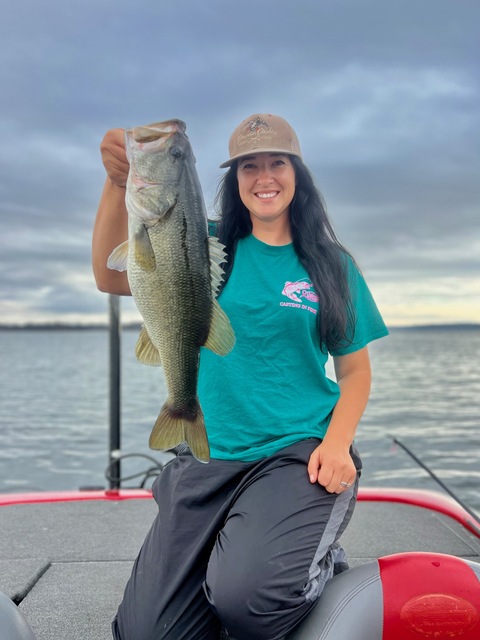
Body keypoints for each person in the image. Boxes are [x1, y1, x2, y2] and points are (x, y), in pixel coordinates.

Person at [92, 113, 389, 640]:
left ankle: (308, 563)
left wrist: (339, 444)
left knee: (252, 603)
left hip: (294, 453)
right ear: (234, 180)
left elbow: (355, 370)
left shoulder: (331, 265)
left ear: (298, 175)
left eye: (278, 162)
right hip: (208, 455)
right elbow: (108, 275)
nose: (264, 176)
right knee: (146, 634)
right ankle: (248, 562)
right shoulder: (201, 244)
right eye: (249, 166)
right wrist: (117, 184)